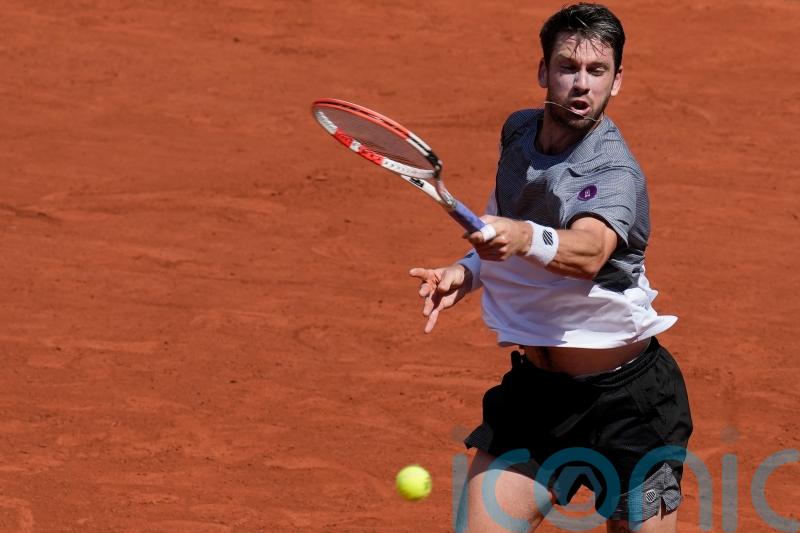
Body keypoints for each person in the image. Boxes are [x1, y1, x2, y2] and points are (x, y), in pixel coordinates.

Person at [409, 4, 692, 532]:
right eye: (568, 67)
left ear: (617, 80)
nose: (581, 84)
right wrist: (466, 271)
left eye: (597, 71)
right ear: (543, 71)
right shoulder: (518, 133)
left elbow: (586, 252)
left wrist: (517, 236)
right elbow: (514, 222)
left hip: (630, 406)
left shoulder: (612, 169)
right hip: (538, 401)